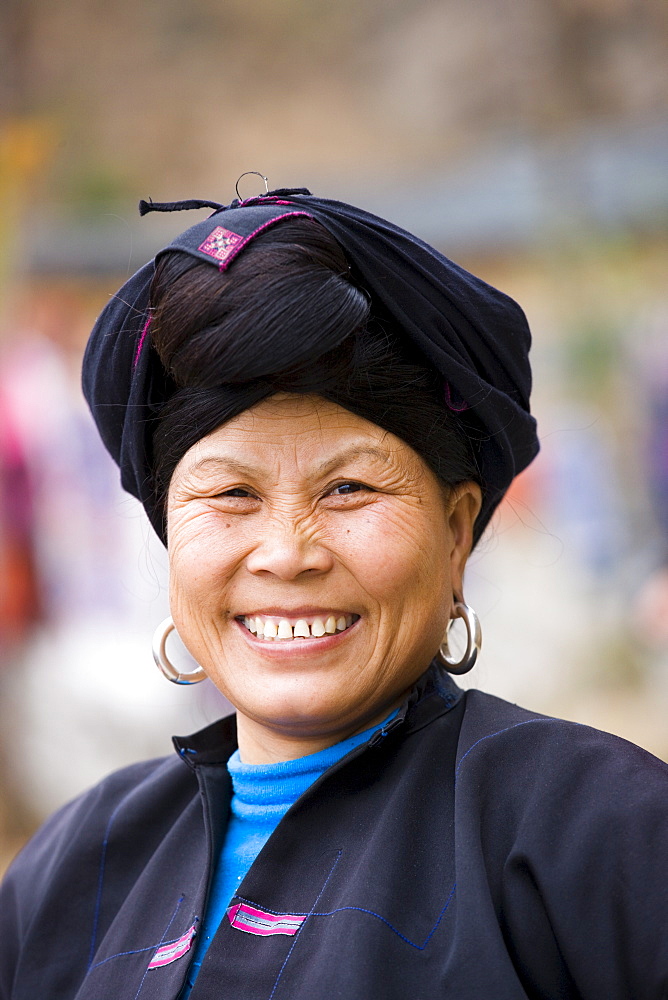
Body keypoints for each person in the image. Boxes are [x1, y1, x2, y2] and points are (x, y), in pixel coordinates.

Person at [1, 186, 667, 1000]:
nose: (287, 554)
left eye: (349, 488)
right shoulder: (75, 869)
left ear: (457, 533)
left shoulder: (599, 833)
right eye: (230, 495)